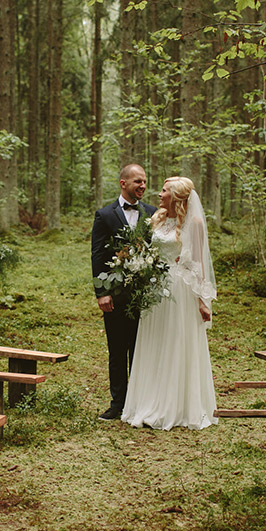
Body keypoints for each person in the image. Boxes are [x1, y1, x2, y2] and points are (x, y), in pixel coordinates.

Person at [121, 176, 218, 430]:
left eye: (164, 191)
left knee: (176, 342)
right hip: (155, 287)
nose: (159, 194)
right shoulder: (158, 218)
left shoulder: (194, 222)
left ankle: (177, 405)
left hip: (180, 290)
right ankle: (150, 400)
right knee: (155, 342)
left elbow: (198, 263)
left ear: (176, 196)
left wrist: (203, 301)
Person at [92, 164, 158, 420]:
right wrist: (102, 292)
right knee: (117, 350)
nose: (142, 186)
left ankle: (142, 403)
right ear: (123, 183)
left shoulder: (153, 213)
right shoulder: (105, 215)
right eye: (137, 182)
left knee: (142, 349)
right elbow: (97, 255)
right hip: (116, 296)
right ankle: (117, 403)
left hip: (146, 296)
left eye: (145, 182)